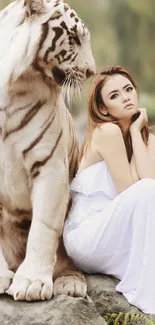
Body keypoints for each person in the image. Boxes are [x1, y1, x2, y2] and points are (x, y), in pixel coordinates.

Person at [63, 66, 155, 314]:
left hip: (118, 233)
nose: (126, 97)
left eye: (128, 89)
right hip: (87, 236)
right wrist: (135, 132)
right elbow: (133, 191)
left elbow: (148, 189)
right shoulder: (107, 131)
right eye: (114, 95)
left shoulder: (149, 138)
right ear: (103, 108)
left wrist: (137, 134)